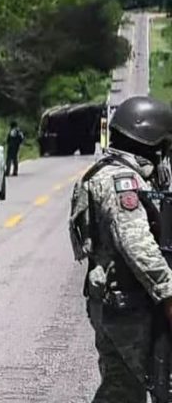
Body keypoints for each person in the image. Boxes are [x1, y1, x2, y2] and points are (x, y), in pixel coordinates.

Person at [68, 96, 172, 403]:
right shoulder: (121, 180)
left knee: (121, 389)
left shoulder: (103, 172)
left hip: (111, 302)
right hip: (129, 306)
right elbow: (135, 243)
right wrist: (168, 292)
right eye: (163, 146)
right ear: (150, 142)